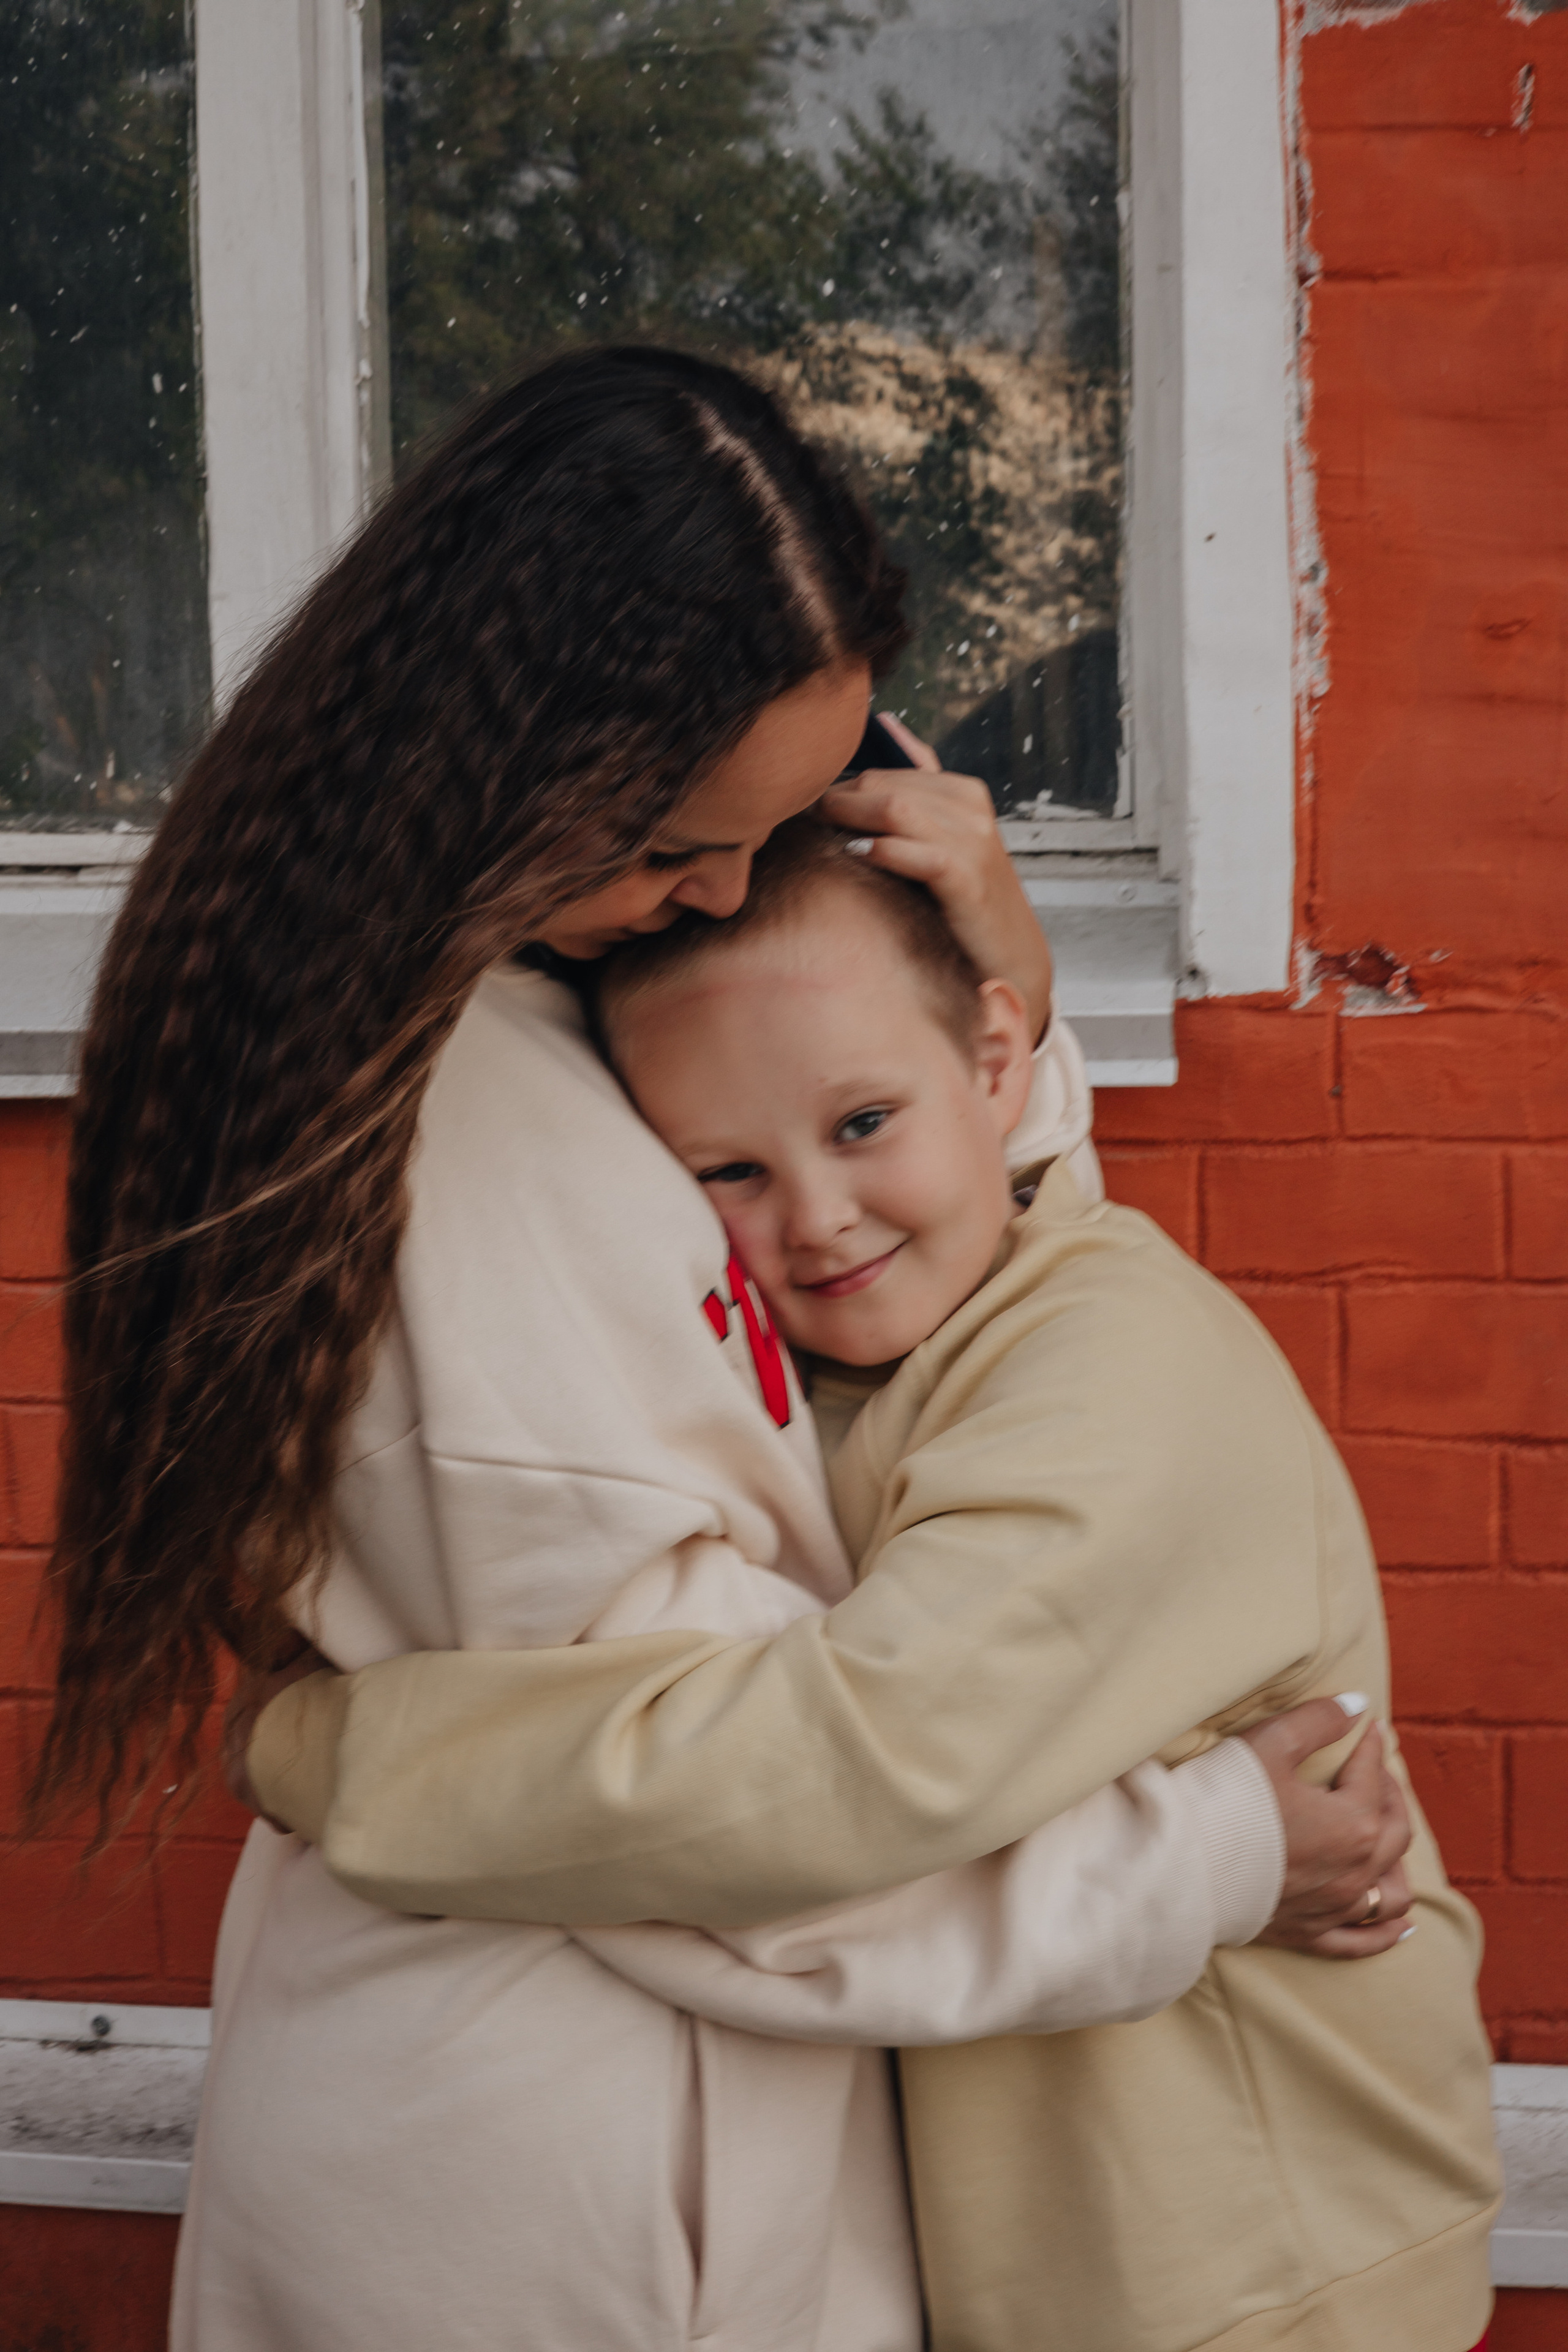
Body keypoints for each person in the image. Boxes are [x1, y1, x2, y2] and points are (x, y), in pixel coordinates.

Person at [33, 347, 1411, 2352]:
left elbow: (822, 1301)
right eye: (685, 840)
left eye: (781, 839)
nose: (726, 895)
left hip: (536, 2122)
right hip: (574, 2192)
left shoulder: (420, 1004)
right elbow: (731, 1822)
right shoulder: (491, 1143)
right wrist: (1208, 1855)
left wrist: (985, 1027)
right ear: (515, 761)